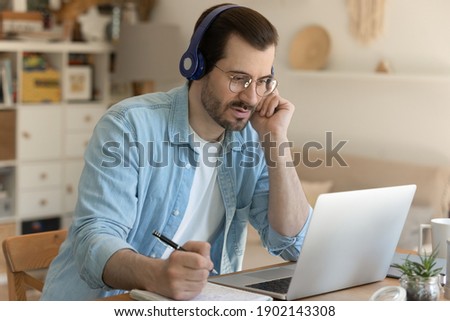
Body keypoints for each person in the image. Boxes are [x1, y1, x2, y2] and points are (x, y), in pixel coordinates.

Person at [41, 3, 312, 300]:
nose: (251, 97)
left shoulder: (253, 137)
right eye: (238, 78)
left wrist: (276, 139)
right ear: (196, 66)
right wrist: (155, 275)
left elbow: (294, 244)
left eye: (263, 82)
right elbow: (94, 239)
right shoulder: (128, 125)